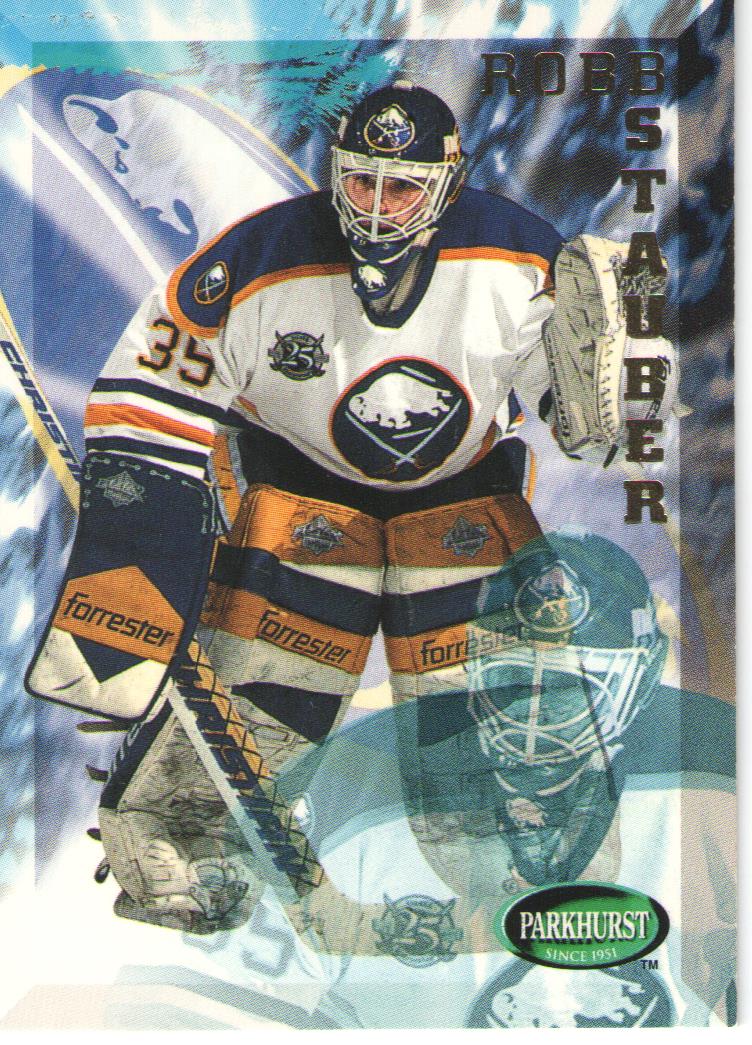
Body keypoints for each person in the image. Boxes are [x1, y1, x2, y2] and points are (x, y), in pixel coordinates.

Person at [28, 81, 676, 930]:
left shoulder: (519, 255)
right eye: (360, 180)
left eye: (400, 187)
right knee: (266, 689)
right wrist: (137, 572)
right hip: (298, 487)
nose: (373, 208)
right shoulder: (262, 256)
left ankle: (542, 873)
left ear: (447, 185)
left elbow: (580, 419)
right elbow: (147, 393)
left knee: (500, 707)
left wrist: (610, 401)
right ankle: (180, 841)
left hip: (461, 489)